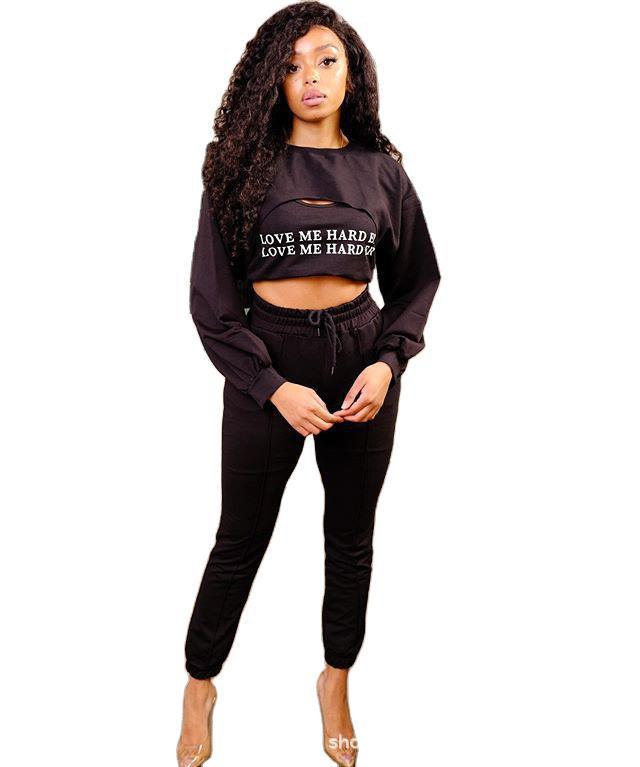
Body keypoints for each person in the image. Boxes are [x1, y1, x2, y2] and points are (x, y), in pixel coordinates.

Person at [177, 3, 441, 766]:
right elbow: (211, 302)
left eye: (327, 60)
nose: (311, 77)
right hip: (270, 358)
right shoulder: (238, 168)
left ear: (352, 72)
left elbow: (417, 279)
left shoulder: (382, 171)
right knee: (240, 538)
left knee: (351, 537)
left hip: (360, 357)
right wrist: (270, 385)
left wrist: (386, 362)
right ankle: (199, 682)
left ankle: (336, 678)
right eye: (291, 66)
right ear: (272, 80)